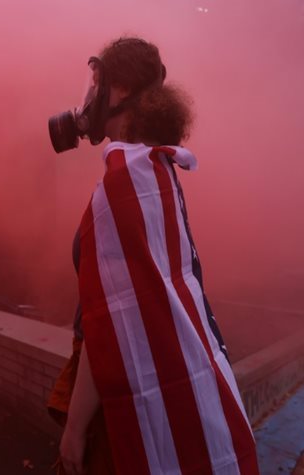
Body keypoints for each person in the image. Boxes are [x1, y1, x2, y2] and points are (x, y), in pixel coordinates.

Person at [46, 37, 260, 475]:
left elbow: (112, 322)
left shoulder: (124, 183)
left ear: (122, 89)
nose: (90, 95)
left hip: (115, 390)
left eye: (97, 82)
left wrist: (75, 428)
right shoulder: (155, 169)